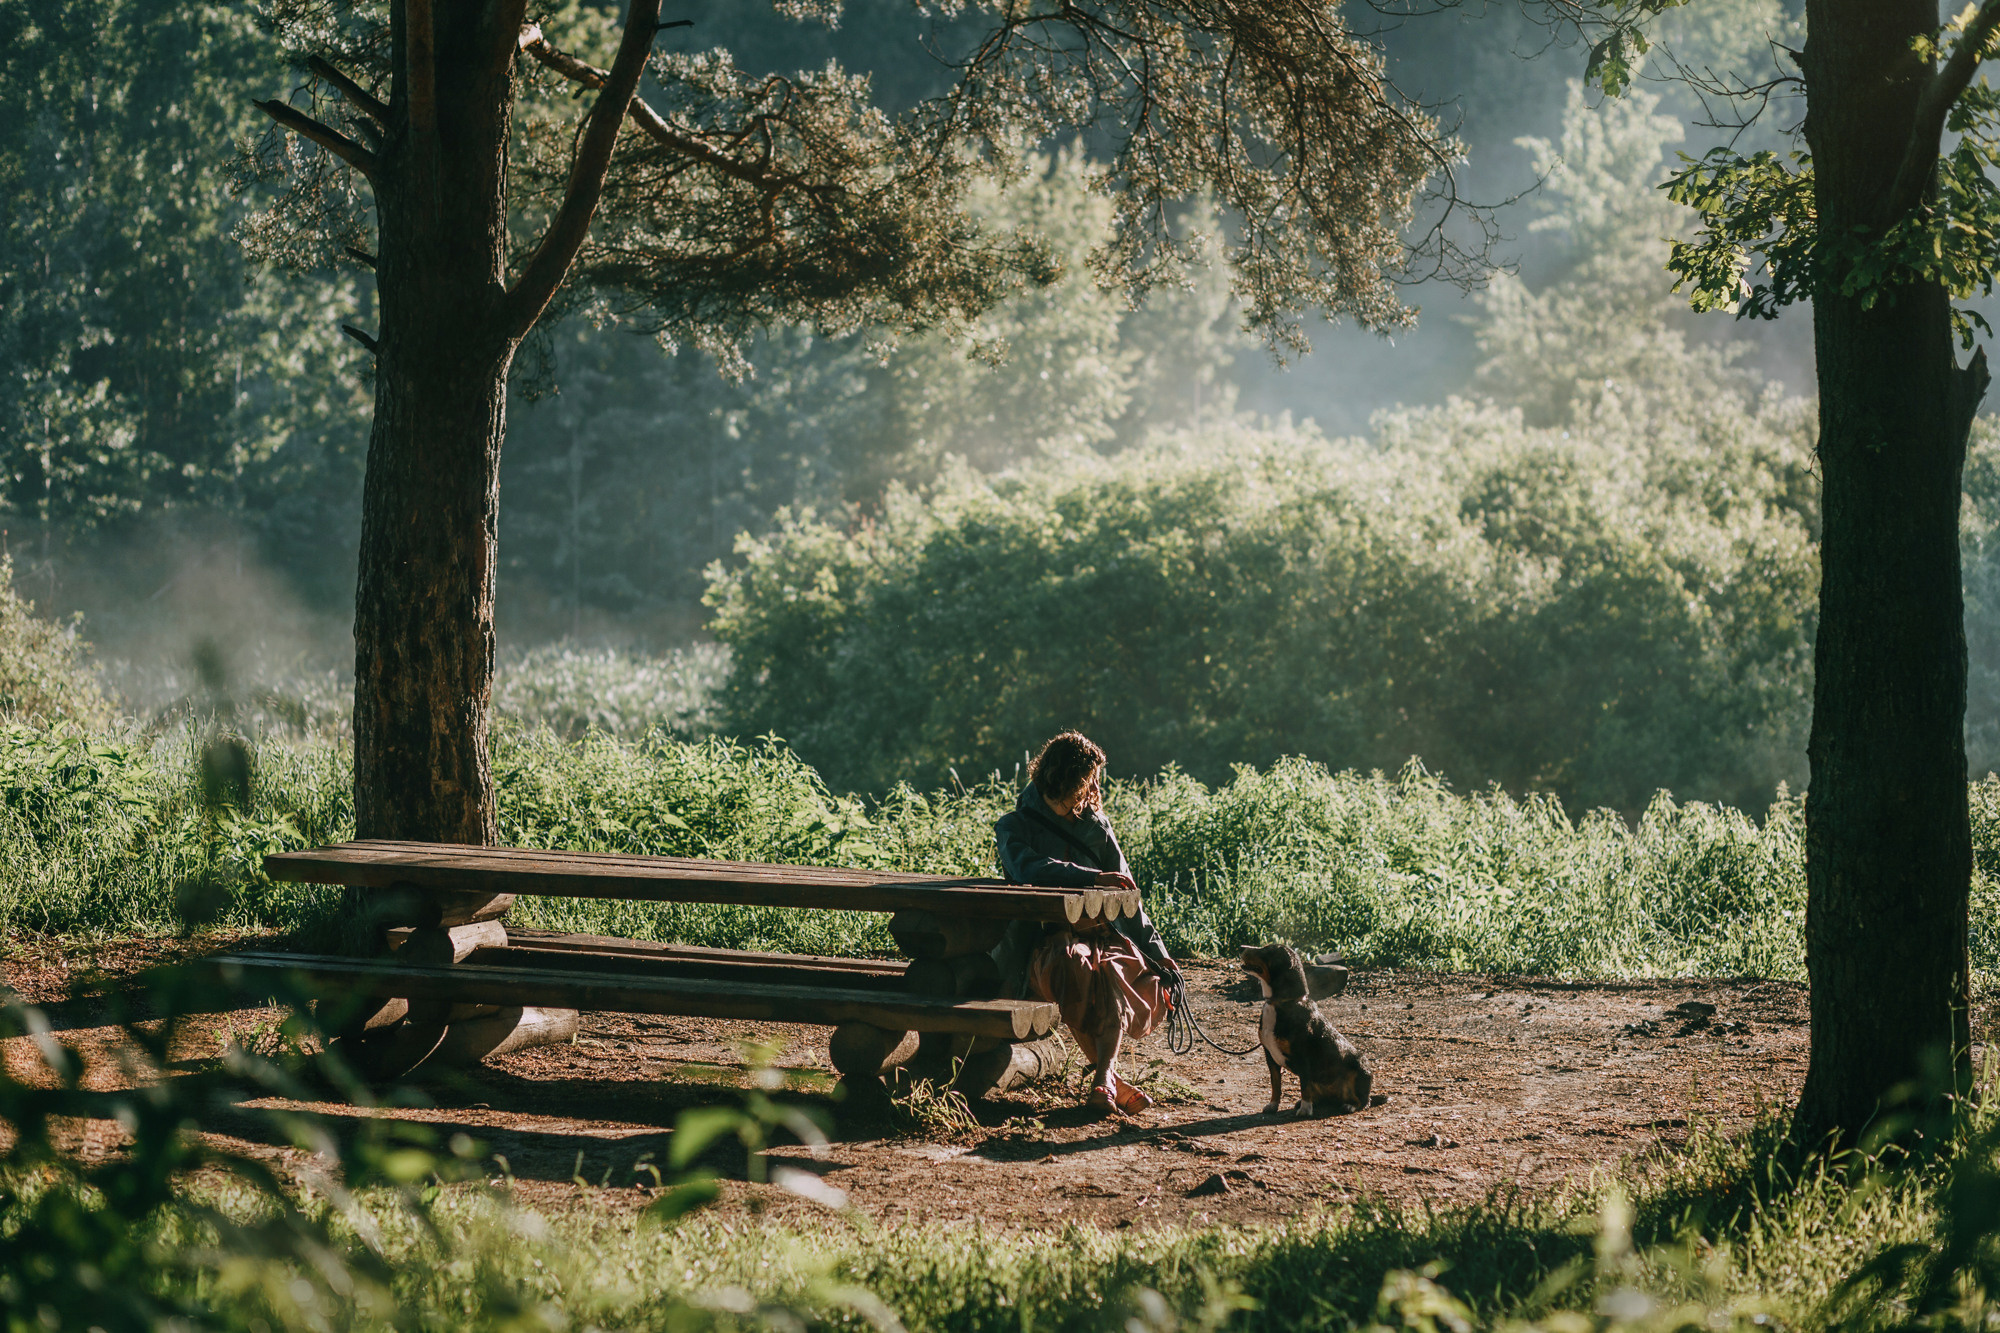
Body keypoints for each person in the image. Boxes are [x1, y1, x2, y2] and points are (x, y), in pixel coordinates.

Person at [992, 731, 1180, 1115]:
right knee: (1076, 967)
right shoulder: (1014, 826)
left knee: (1111, 972)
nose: (1095, 788)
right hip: (1042, 944)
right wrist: (1092, 878)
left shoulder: (1097, 826)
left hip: (1101, 936)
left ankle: (1104, 1080)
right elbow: (1028, 869)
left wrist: (1159, 953)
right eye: (1087, 778)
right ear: (1065, 777)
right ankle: (1111, 1080)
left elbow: (1128, 898)